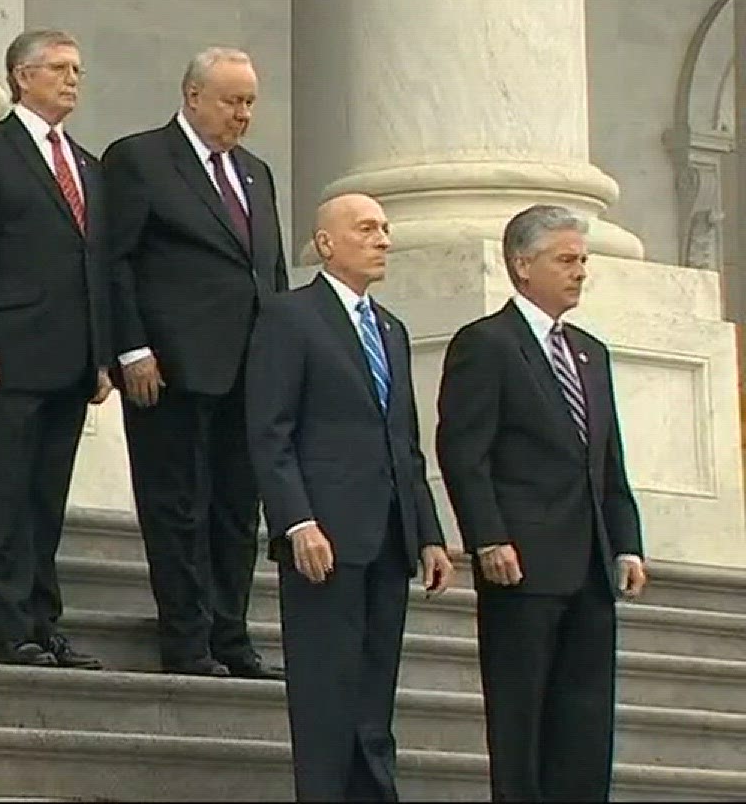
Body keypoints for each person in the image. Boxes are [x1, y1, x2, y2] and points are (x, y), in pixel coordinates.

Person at [245, 193, 453, 801]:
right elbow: (270, 429)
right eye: (367, 228)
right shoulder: (291, 317)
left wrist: (428, 532)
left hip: (387, 537)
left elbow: (404, 442)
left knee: (373, 689)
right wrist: (296, 521)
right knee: (324, 691)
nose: (383, 239)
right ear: (327, 242)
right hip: (324, 538)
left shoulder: (391, 329)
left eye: (386, 228)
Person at [436, 205, 646, 803]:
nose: (580, 271)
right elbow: (464, 450)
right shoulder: (486, 345)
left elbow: (607, 459)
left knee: (583, 726)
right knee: (522, 720)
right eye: (566, 259)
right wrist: (487, 537)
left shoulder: (591, 353)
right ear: (522, 265)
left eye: (582, 260)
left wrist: (626, 541)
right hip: (522, 566)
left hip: (590, 565)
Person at [100, 46, 288, 679]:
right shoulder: (140, 159)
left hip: (249, 370)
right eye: (233, 101)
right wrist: (131, 349)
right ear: (193, 97)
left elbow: (272, 275)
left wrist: (284, 359)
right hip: (170, 368)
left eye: (250, 102)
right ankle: (187, 639)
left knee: (238, 508)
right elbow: (115, 262)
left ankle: (232, 636)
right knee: (178, 504)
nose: (243, 114)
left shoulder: (256, 174)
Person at [0, 28, 114, 669]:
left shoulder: (89, 166)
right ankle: (10, 625)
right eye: (60, 68)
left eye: (79, 69)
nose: (73, 80)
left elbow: (96, 264)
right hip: (10, 353)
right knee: (6, 492)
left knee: (48, 497)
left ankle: (46, 620)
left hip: (72, 358)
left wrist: (102, 355)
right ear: (21, 75)